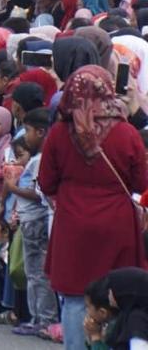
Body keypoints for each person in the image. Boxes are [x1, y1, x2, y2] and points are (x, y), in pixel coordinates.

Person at [41, 65, 148, 350]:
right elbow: (140, 181)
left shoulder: (59, 134)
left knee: (75, 298)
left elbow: (46, 181)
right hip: (117, 223)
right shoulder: (127, 133)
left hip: (72, 221)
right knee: (119, 295)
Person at [6, 107, 58, 337]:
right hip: (30, 220)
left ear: (41, 131)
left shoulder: (41, 160)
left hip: (37, 220)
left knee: (38, 272)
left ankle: (45, 320)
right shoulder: (38, 159)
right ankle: (37, 317)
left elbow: (39, 193)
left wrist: (12, 187)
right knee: (33, 271)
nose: (25, 136)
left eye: (27, 130)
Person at [86, 267, 148, 350]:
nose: (110, 298)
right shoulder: (125, 318)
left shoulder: (137, 321)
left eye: (113, 291)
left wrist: (95, 338)